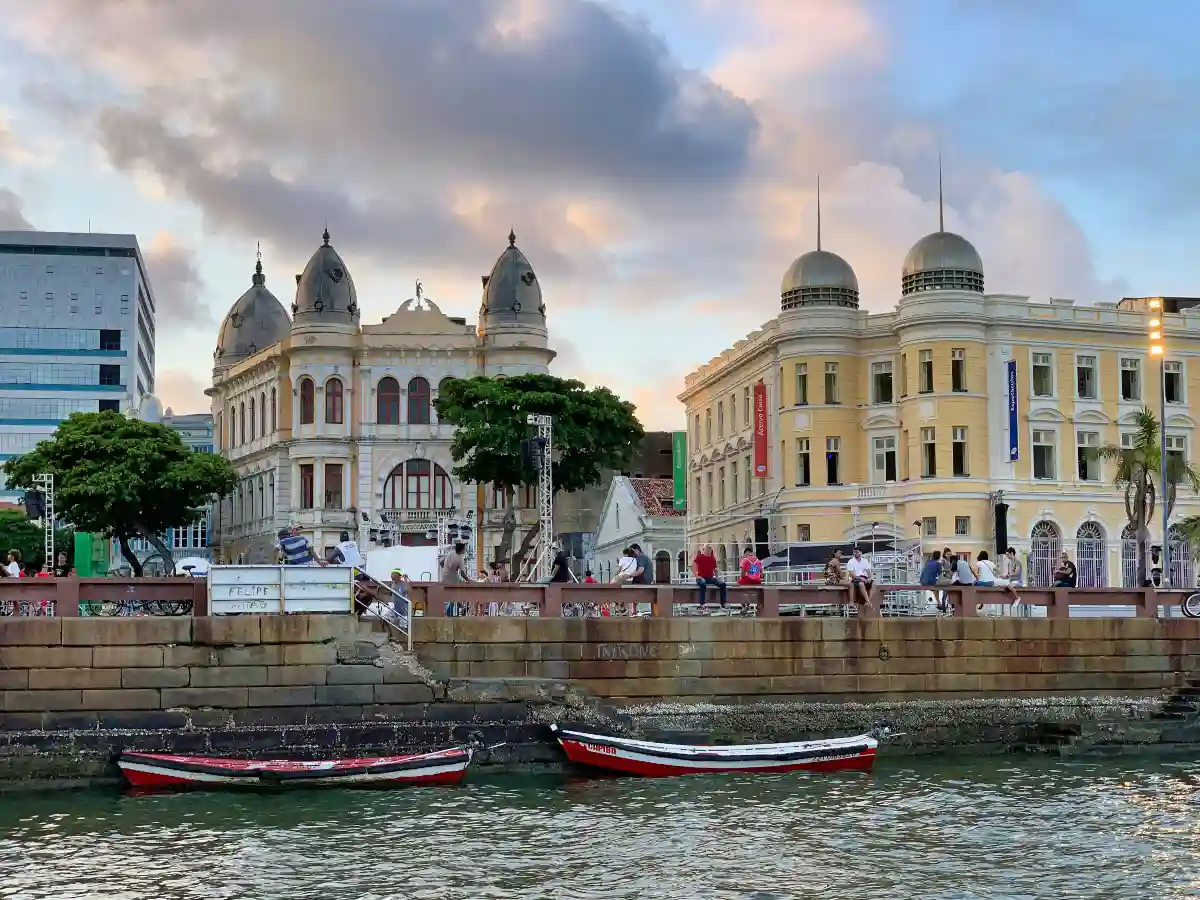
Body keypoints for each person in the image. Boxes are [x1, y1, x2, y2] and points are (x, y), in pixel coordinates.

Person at [693, 543, 727, 611]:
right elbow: (693, 566)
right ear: (703, 550)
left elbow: (715, 570)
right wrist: (697, 576)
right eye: (707, 548)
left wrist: (717, 578)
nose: (708, 550)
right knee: (703, 583)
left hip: (710, 577)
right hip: (701, 577)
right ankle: (702, 604)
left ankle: (723, 604)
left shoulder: (712, 559)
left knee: (723, 584)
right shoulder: (699, 557)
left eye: (709, 548)